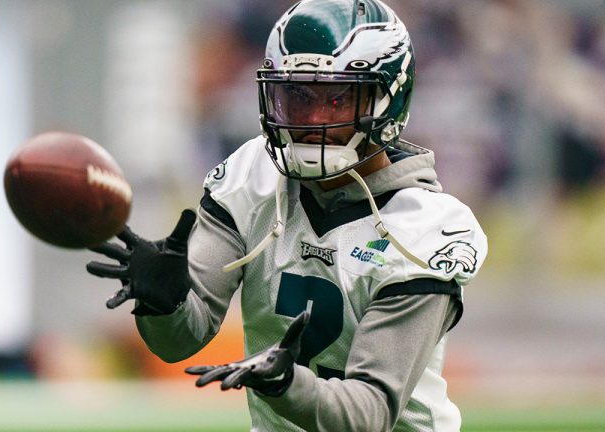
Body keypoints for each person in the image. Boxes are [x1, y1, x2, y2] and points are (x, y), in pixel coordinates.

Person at [86, 0, 488, 430]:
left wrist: (285, 383)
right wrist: (163, 303)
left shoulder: (422, 231)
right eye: (297, 95)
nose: (312, 118)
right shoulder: (251, 179)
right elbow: (181, 340)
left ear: (388, 99)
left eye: (337, 98)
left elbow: (368, 415)